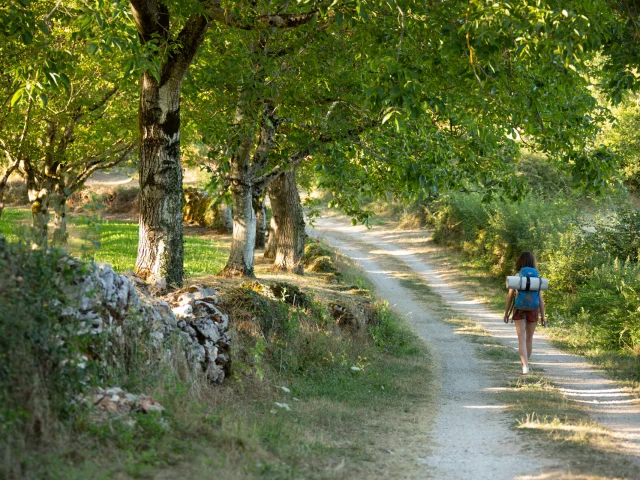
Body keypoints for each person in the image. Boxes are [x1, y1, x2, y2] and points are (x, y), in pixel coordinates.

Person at [503, 252, 546, 374]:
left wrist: (506, 313)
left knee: (521, 338)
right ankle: (527, 363)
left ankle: (525, 366)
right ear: (533, 262)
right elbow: (540, 299)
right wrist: (543, 317)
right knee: (529, 339)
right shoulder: (536, 279)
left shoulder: (516, 277)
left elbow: (510, 297)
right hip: (533, 309)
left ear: (520, 262)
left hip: (519, 310)